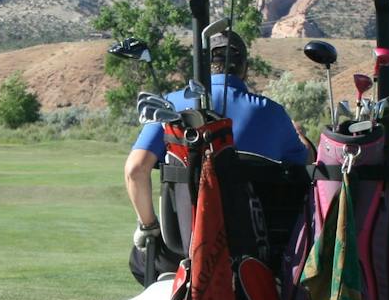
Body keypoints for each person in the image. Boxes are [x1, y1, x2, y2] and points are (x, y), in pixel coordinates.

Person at [125, 30, 309, 278]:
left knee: (139, 261)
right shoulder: (273, 113)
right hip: (254, 250)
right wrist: (301, 137)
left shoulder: (171, 105)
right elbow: (304, 161)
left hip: (183, 247)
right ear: (245, 68)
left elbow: (136, 169)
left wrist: (148, 227)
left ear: (201, 66)